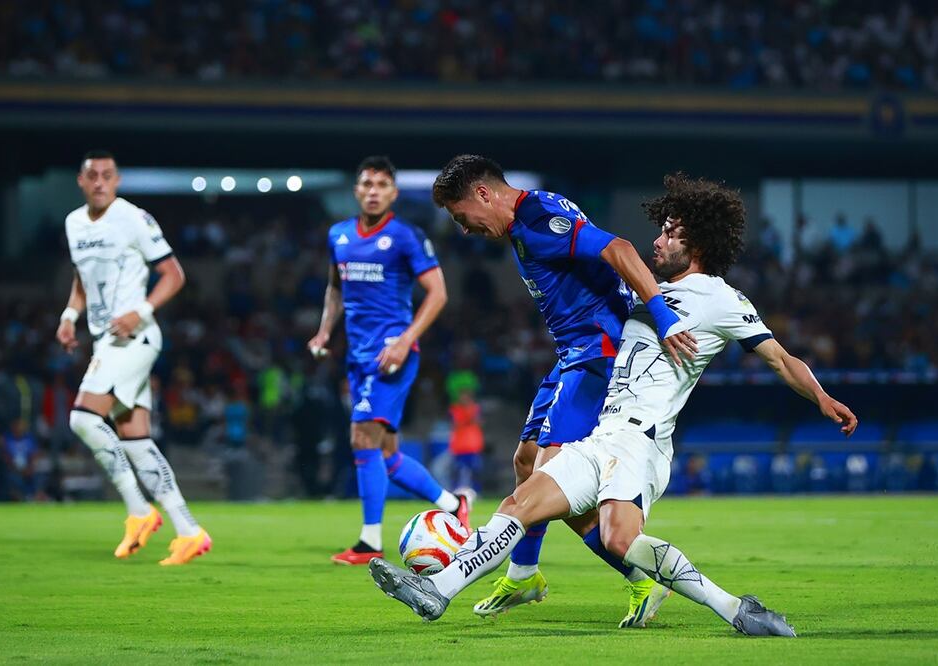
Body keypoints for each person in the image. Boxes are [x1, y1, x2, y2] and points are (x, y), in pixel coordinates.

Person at [370, 173, 858, 635]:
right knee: (520, 500)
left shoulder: (721, 300)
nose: (658, 241)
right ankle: (436, 589)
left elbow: (779, 358)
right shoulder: (645, 293)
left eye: (670, 234)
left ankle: (734, 609)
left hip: (641, 441)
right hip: (602, 433)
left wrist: (820, 395)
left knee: (619, 539)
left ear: (699, 244)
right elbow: (604, 275)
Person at [431, 155, 698, 625]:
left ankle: (641, 579)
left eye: (462, 218)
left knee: (546, 480)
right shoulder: (529, 218)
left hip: (598, 355)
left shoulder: (537, 221)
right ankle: (524, 573)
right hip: (573, 354)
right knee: (525, 459)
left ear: (484, 194)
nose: (466, 230)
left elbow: (617, 248)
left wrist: (661, 312)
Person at [308, 156, 469, 565]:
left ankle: (369, 542)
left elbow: (438, 293)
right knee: (388, 457)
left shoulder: (405, 236)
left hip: (391, 357)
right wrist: (325, 330)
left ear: (393, 192)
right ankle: (453, 506)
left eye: (382, 185)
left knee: (362, 438)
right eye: (367, 184)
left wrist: (405, 340)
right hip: (358, 357)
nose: (374, 191)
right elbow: (334, 289)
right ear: (357, 190)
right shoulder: (339, 235)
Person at [58, 150, 210, 565]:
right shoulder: (74, 223)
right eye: (93, 176)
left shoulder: (133, 218)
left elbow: (174, 274)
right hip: (106, 339)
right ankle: (189, 531)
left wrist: (139, 311)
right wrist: (70, 315)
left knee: (84, 418)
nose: (100, 183)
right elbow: (82, 278)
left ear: (118, 180)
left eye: (108, 175)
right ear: (81, 181)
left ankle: (139, 510)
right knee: (138, 442)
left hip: (135, 338)